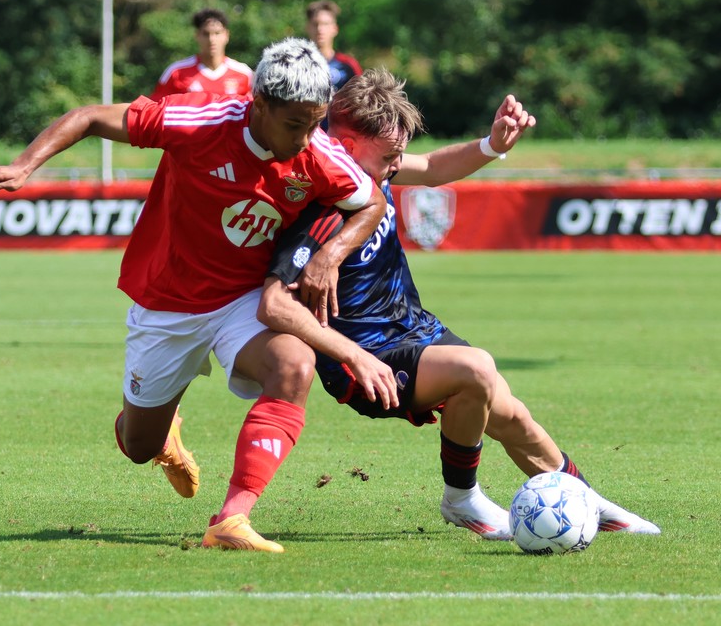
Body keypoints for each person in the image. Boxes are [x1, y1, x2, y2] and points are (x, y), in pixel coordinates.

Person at [0, 38, 398, 554]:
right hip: (166, 304)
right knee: (137, 445)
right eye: (294, 125)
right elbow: (87, 117)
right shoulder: (198, 120)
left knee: (293, 366)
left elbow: (369, 202)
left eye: (314, 123)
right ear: (258, 104)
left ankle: (232, 518)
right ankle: (162, 431)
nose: (307, 139)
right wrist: (24, 166)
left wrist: (330, 257)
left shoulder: (318, 154)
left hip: (241, 301)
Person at [259, 68, 661, 540]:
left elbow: (432, 169)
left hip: (412, 328)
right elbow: (272, 303)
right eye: (389, 156)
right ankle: (461, 498)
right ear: (347, 149)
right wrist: (351, 355)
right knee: (476, 370)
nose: (396, 165)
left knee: (511, 414)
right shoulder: (318, 205)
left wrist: (492, 145)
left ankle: (584, 500)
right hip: (366, 356)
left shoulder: (370, 170)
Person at [150, 8, 254, 100]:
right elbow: (156, 110)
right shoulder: (176, 72)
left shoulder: (244, 74)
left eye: (217, 33)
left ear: (226, 35)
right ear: (197, 35)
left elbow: (258, 113)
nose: (211, 39)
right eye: (206, 34)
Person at [305, 0, 362, 131]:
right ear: (308, 27)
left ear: (334, 29)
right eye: (315, 24)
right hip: (306, 138)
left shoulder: (347, 66)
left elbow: (363, 104)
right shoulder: (297, 66)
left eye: (325, 24)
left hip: (339, 139)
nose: (320, 29)